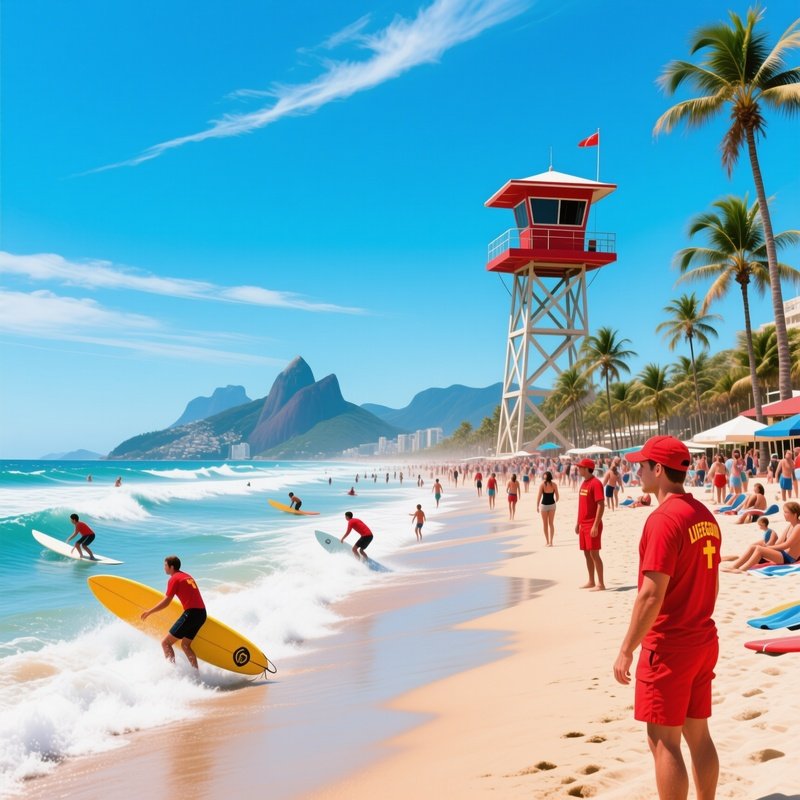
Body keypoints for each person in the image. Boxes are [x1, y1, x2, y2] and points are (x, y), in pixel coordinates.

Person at [613, 436, 721, 800]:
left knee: (663, 742)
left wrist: (627, 648)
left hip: (670, 646)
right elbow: (711, 584)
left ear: (658, 470)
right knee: (699, 734)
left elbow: (650, 594)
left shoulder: (663, 520)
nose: (637, 470)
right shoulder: (704, 516)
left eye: (642, 465)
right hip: (702, 638)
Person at [140, 555, 207, 670]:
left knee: (165, 643)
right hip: (202, 614)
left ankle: (172, 672)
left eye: (165, 565)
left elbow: (167, 601)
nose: (164, 568)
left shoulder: (174, 579)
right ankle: (196, 674)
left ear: (171, 567)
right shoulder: (187, 576)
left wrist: (149, 612)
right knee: (185, 645)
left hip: (191, 614)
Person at [723, 502, 800, 572]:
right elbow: (779, 542)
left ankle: (742, 569)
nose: (784, 514)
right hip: (783, 554)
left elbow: (786, 545)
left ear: (795, 514)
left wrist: (769, 548)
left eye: (786, 512)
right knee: (753, 547)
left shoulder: (798, 527)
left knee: (759, 549)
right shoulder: (790, 525)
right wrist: (767, 546)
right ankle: (734, 566)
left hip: (788, 558)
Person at [574, 458, 605, 590]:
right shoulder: (584, 483)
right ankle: (591, 581)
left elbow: (601, 505)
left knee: (594, 554)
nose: (578, 469)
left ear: (587, 469)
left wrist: (595, 525)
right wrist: (578, 523)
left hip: (592, 523)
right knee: (586, 553)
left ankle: (601, 583)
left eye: (580, 467)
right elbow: (581, 505)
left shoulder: (596, 483)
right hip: (583, 524)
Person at [536, 470, 559, 546]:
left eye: (544, 475)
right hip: (552, 505)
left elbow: (539, 496)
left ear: (545, 477)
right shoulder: (554, 485)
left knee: (545, 524)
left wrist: (537, 505)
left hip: (544, 506)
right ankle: (551, 542)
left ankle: (547, 541)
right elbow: (557, 496)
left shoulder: (542, 485)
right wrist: (555, 501)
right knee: (551, 523)